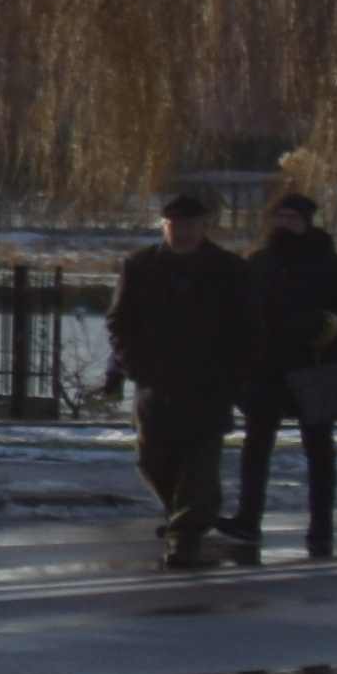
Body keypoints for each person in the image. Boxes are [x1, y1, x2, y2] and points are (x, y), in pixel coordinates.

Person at [107, 190, 253, 567]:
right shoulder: (140, 266)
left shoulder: (228, 269)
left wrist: (235, 374)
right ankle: (189, 513)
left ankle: (184, 536)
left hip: (209, 382)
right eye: (175, 225)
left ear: (204, 227)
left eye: (190, 225)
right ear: (163, 226)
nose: (182, 232)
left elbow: (247, 326)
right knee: (152, 459)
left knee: (199, 463)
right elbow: (119, 321)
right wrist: (132, 365)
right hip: (155, 381)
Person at [229, 188, 337, 560]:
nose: (285, 224)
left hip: (316, 365)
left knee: (319, 449)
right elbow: (241, 312)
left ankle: (322, 525)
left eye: (293, 218)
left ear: (307, 222)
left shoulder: (331, 264)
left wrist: (335, 326)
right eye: (281, 217)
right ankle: (248, 518)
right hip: (266, 367)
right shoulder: (260, 262)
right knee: (256, 445)